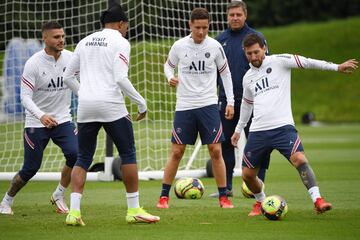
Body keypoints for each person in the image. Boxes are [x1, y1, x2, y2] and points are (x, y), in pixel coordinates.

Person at [231, 33, 358, 216]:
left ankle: (318, 200)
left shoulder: (280, 61)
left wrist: (336, 67)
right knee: (247, 175)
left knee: (299, 159)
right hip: (258, 131)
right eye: (249, 53)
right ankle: (260, 201)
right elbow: (246, 105)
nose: (253, 57)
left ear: (264, 48)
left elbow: (308, 62)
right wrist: (238, 130)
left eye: (256, 52)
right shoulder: (247, 77)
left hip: (283, 127)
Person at [63, 4, 160, 225]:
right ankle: (134, 209)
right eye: (126, 26)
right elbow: (120, 78)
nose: (126, 30)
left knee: (83, 157)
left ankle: (74, 213)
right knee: (128, 153)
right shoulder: (120, 41)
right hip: (111, 105)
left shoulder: (84, 41)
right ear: (120, 24)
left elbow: (68, 77)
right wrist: (141, 102)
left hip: (86, 106)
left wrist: (86, 94)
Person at [156, 8, 235, 209]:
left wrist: (231, 102)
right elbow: (168, 65)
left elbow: (225, 74)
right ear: (190, 25)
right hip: (185, 106)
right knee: (177, 151)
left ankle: (223, 197)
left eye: (205, 28)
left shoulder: (216, 46)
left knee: (215, 150)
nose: (201, 32)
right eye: (197, 27)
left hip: (208, 105)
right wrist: (169, 77)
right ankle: (163, 197)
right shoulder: (179, 46)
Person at [0, 21, 78, 215]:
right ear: (45, 38)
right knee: (30, 168)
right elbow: (24, 97)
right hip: (36, 123)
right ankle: (6, 201)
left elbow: (81, 82)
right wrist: (41, 115)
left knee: (76, 154)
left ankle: (59, 194)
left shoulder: (71, 58)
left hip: (63, 120)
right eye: (56, 37)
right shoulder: (33, 63)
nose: (61, 40)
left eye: (62, 36)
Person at [209, 0, 268, 198]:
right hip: (226, 102)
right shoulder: (219, 41)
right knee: (225, 144)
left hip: (254, 101)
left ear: (245, 15)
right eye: (231, 15)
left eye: (238, 15)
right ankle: (226, 189)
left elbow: (267, 69)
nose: (235, 18)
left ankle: (257, 187)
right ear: (227, 16)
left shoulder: (256, 38)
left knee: (258, 142)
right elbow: (213, 72)